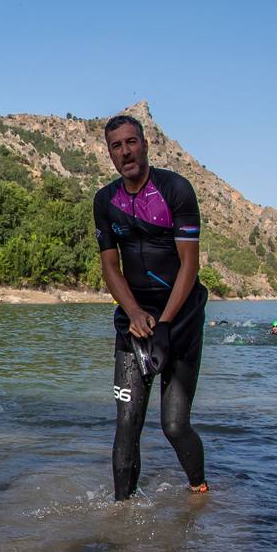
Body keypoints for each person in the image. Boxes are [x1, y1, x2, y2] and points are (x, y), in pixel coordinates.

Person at [93, 114, 209, 500]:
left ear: (145, 143)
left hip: (181, 319)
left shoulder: (175, 189)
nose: (125, 151)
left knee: (174, 426)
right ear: (109, 153)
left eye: (131, 142)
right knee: (127, 426)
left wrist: (165, 322)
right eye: (116, 146)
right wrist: (135, 314)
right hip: (135, 321)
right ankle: (120, 518)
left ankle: (199, 490)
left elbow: (189, 264)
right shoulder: (105, 202)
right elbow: (111, 267)